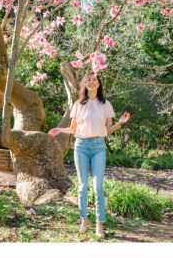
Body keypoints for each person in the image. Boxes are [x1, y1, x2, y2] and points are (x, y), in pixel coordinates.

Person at [48, 71, 130, 239]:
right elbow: (73, 128)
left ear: (99, 84)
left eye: (94, 80)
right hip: (81, 146)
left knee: (98, 186)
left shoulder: (106, 104)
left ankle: (99, 225)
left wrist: (120, 123)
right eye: (88, 80)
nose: (92, 82)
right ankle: (84, 221)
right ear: (84, 84)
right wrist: (59, 130)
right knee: (82, 186)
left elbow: (108, 129)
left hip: (99, 146)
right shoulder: (78, 104)